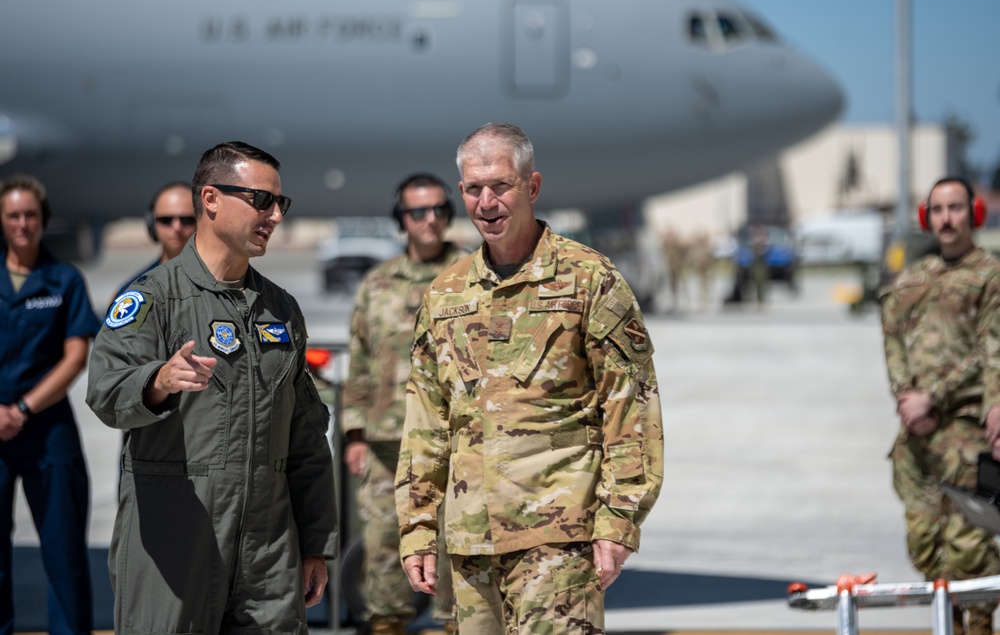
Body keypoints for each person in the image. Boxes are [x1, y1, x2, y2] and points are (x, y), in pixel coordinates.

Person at [396, 123, 664, 634]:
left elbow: (631, 410)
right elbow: (426, 424)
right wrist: (417, 528)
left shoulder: (590, 280)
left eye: (501, 186)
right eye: (474, 189)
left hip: (558, 541)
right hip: (470, 545)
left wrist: (618, 522)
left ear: (532, 187)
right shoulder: (445, 295)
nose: (487, 202)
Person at [86, 141, 338, 634]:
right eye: (260, 200)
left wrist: (314, 544)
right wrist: (156, 381)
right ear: (210, 199)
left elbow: (306, 435)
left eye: (279, 203)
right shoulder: (154, 298)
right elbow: (105, 390)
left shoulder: (281, 310)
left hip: (267, 555)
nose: (274, 216)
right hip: (175, 545)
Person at [341, 173, 466, 635]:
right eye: (418, 211)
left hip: (454, 439)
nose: (430, 220)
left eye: (438, 210)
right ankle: (387, 624)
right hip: (386, 442)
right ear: (402, 220)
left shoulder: (471, 274)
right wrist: (354, 433)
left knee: (458, 545)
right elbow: (359, 360)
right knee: (383, 548)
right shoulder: (377, 284)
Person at [880, 177, 1000, 635]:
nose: (947, 219)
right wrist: (907, 397)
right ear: (926, 218)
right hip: (919, 433)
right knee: (924, 543)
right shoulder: (913, 278)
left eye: (956, 209)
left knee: (969, 545)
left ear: (974, 215)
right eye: (938, 210)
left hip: (967, 428)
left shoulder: (989, 275)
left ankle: (981, 627)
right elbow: (892, 336)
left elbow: (990, 351)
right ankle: (946, 625)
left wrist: (935, 396)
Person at [0, 174, 100, 635]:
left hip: (46, 427)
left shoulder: (64, 280)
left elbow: (76, 355)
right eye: (14, 216)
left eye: (30, 215)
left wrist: (21, 409)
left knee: (63, 553)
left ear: (43, 220)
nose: (23, 224)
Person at [111, 180, 196, 302]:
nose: (177, 227)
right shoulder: (132, 293)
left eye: (187, 220)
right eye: (166, 220)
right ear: (151, 224)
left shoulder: (224, 281)